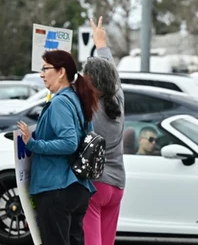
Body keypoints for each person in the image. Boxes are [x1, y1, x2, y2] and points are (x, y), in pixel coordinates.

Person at [17, 50, 99, 245]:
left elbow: (69, 143)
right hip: (76, 187)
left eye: (45, 68)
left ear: (61, 72)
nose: (41, 74)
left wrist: (33, 143)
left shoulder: (60, 103)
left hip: (57, 188)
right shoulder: (76, 98)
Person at [81, 17, 126, 245]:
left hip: (95, 186)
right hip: (118, 185)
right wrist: (101, 43)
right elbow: (110, 69)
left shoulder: (88, 106)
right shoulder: (118, 96)